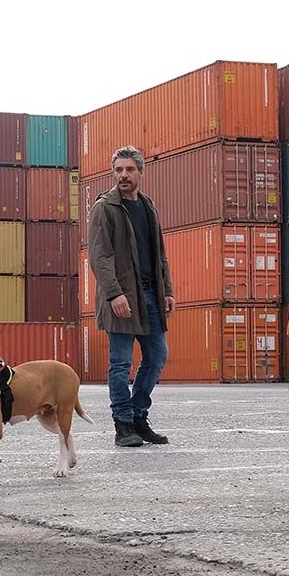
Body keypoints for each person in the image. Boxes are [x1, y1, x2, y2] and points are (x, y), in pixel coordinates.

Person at [87, 145, 174, 448]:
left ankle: (138, 414)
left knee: (157, 356)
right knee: (121, 363)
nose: (123, 175)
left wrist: (167, 290)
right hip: (120, 298)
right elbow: (100, 256)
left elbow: (159, 254)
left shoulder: (148, 206)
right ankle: (123, 424)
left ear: (140, 171)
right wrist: (114, 294)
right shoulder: (104, 207)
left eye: (129, 170)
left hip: (150, 296)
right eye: (119, 170)